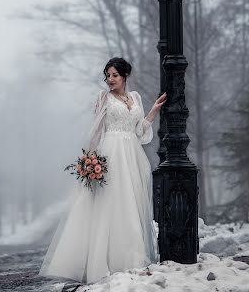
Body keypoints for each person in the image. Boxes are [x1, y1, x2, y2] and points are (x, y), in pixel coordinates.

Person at [39, 57, 167, 285]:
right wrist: (91, 159)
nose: (110, 80)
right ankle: (102, 261)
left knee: (130, 205)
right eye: (107, 76)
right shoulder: (103, 98)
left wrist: (153, 111)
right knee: (109, 205)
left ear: (124, 76)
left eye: (114, 75)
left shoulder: (135, 97)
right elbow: (96, 131)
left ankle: (131, 258)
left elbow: (139, 131)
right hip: (111, 152)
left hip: (132, 155)